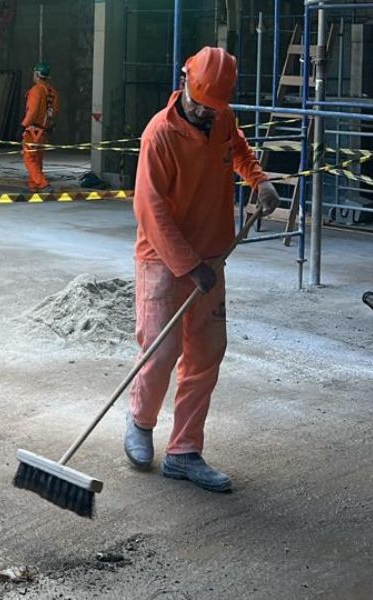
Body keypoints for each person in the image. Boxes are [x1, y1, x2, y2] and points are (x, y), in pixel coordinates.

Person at [124, 46, 280, 493]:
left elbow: (239, 151)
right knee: (161, 349)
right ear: (184, 81)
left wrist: (259, 179)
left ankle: (184, 450)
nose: (207, 113)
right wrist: (189, 266)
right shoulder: (160, 135)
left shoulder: (222, 119)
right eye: (200, 103)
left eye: (215, 107)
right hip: (163, 258)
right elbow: (150, 209)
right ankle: (140, 421)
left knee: (206, 353)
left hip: (212, 253)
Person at [21, 61, 60, 193]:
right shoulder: (52, 92)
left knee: (29, 159)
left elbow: (32, 111)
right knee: (37, 159)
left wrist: (23, 126)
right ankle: (34, 185)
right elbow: (55, 111)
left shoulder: (36, 90)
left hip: (33, 131)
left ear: (37, 74)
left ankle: (42, 184)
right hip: (43, 131)